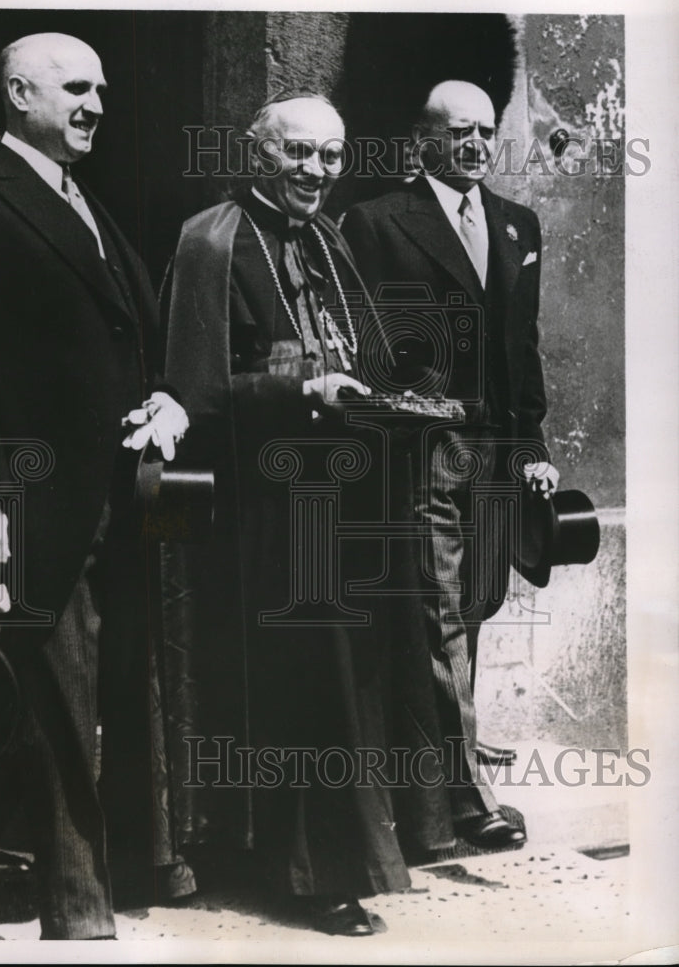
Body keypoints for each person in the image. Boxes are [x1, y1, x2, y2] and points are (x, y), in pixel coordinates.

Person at [160, 90, 456, 936]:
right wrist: (302, 388)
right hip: (264, 510)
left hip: (344, 494)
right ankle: (308, 874)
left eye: (331, 157)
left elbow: (352, 349)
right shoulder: (210, 238)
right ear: (260, 154)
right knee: (304, 689)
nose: (317, 173)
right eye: (300, 155)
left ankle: (361, 851)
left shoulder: (329, 237)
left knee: (356, 682)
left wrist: (388, 394)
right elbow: (196, 392)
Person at [0, 32, 192, 939]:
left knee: (107, 697)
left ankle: (119, 879)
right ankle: (77, 914)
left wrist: (167, 400)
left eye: (101, 88)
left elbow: (133, 334)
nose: (97, 104)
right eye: (75, 88)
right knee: (55, 711)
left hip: (122, 503)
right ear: (19, 92)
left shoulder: (83, 200)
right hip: (35, 505)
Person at [341, 80, 559, 848]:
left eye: (486, 131)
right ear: (422, 139)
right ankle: (466, 803)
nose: (475, 145)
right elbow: (364, 345)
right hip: (424, 451)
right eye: (459, 132)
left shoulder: (514, 224)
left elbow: (520, 349)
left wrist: (531, 449)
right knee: (437, 623)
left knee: (473, 607)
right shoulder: (374, 222)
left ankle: (427, 789)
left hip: (497, 456)